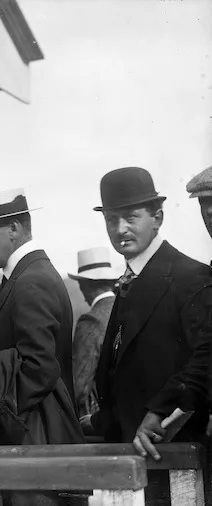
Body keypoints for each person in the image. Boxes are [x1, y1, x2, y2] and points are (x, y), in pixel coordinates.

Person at [83, 167, 212, 504]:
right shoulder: (128, 281)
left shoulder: (192, 277)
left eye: (130, 217)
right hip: (126, 462)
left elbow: (205, 362)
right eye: (111, 219)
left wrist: (158, 414)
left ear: (158, 217)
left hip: (173, 462)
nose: (120, 229)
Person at [0, 188, 84, 505]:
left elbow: (39, 368)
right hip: (32, 446)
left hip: (33, 448)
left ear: (14, 229)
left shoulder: (31, 281)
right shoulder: (28, 277)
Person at [67, 246, 118, 417]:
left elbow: (78, 385)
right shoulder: (126, 310)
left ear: (84, 284)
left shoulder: (91, 321)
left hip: (95, 419)